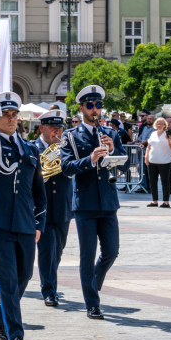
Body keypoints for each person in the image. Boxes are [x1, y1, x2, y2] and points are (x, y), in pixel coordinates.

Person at [0, 69, 46, 340]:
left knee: (24, 276)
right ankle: (16, 333)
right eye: (6, 114)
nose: (12, 118)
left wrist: (39, 223)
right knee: (6, 278)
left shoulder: (29, 150)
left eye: (15, 114)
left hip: (26, 222)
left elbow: (39, 193)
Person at [59, 86, 125, 319]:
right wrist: (90, 159)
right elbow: (66, 168)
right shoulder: (70, 136)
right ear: (81, 108)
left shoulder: (111, 133)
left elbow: (125, 164)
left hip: (108, 201)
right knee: (87, 255)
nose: (95, 110)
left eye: (98, 105)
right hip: (85, 202)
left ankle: (92, 285)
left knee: (112, 251)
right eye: (90, 106)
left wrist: (113, 149)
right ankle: (92, 303)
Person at [33, 109, 71, 307]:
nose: (57, 132)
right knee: (47, 251)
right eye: (53, 128)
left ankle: (49, 281)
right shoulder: (32, 149)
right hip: (43, 208)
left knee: (58, 251)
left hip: (63, 207)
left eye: (59, 128)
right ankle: (49, 290)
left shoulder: (67, 148)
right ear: (42, 128)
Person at [145, 117, 171, 207]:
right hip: (153, 161)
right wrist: (146, 157)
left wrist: (169, 140)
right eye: (158, 123)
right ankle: (154, 201)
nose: (159, 125)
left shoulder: (168, 133)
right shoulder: (153, 133)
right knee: (153, 181)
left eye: (161, 124)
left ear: (165, 125)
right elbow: (148, 146)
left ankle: (166, 201)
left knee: (165, 181)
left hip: (165, 162)